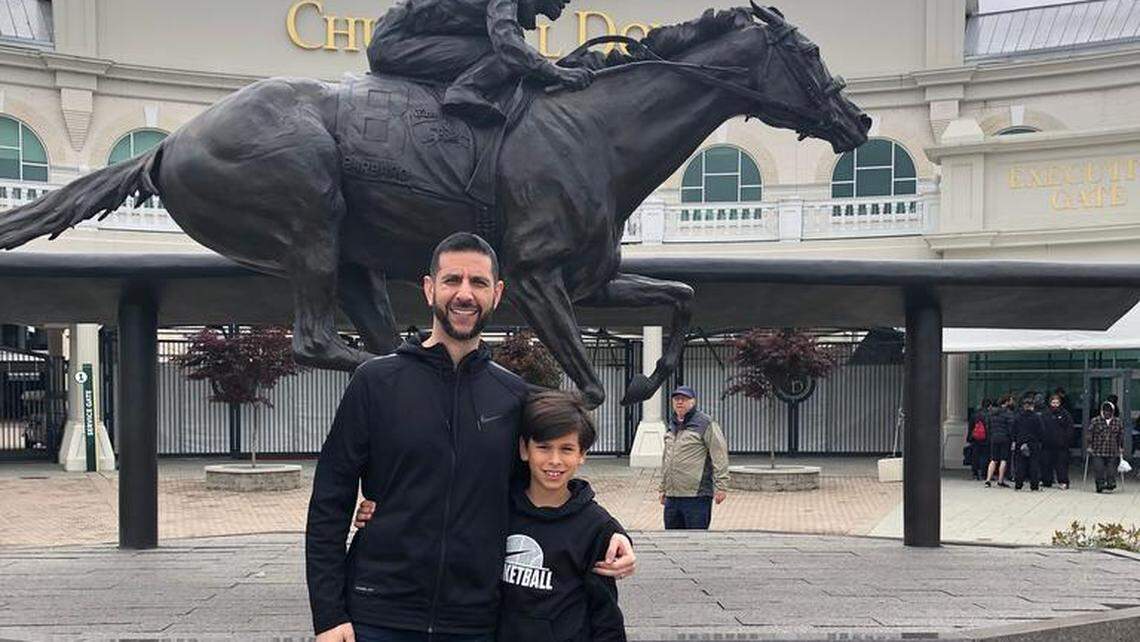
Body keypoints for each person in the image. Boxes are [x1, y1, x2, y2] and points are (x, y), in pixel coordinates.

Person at [305, 232, 634, 642]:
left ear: (496, 294)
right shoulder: (374, 382)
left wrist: (610, 531)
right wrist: (329, 614)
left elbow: (545, 485)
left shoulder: (515, 397)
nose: (465, 294)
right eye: (452, 280)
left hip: (474, 622)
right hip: (377, 614)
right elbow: (329, 503)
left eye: (478, 283)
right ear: (429, 289)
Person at [358, 390, 627, 642]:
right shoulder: (493, 505)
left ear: (582, 455)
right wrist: (384, 511)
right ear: (524, 449)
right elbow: (438, 508)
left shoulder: (596, 528)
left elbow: (605, 615)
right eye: (543, 447)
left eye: (566, 449)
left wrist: (618, 533)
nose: (555, 460)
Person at [367, 0, 594, 125]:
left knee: (508, 53)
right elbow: (507, 45)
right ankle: (465, 91)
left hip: (405, 39)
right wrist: (555, 72)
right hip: (395, 43)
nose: (567, 1)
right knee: (506, 56)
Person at [659, 385, 729, 530]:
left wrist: (721, 486)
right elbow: (666, 459)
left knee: (696, 541)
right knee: (671, 542)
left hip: (696, 497)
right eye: (676, 399)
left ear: (693, 402)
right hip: (672, 497)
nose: (679, 402)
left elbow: (719, 455)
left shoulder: (705, 423)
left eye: (684, 399)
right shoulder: (672, 424)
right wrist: (663, 489)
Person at [1087, 401, 1124, 493]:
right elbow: (1089, 434)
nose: (1107, 413)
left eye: (1109, 411)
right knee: (1099, 468)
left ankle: (1111, 483)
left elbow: (1120, 435)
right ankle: (1100, 485)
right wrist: (1089, 446)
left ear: (1112, 412)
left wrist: (1121, 446)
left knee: (1111, 469)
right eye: (1105, 411)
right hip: (1098, 449)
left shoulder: (1117, 421)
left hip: (1112, 449)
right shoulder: (1095, 421)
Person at [1040, 393, 1074, 489]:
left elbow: (1070, 428)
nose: (1055, 404)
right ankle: (1046, 481)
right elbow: (1040, 427)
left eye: (1057, 402)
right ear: (1050, 403)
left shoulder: (1065, 414)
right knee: (1046, 464)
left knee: (1061, 465)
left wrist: (1066, 440)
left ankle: (1063, 482)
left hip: (1061, 445)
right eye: (1053, 402)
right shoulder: (1045, 414)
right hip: (1047, 444)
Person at [1011, 393, 1043, 491]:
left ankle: (1018, 484)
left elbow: (1013, 430)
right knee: (1034, 465)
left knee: (1020, 465)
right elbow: (1041, 431)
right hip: (1033, 443)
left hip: (1020, 442)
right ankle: (1034, 486)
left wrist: (1014, 440)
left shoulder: (1018, 417)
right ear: (1032, 406)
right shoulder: (1037, 417)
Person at [984, 395, 1014, 488]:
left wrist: (991, 435)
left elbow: (988, 426)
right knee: (1003, 459)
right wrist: (1012, 438)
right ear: (1007, 402)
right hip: (1005, 438)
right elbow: (1011, 428)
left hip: (994, 437)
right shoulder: (1008, 413)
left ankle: (988, 480)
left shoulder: (991, 413)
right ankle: (1000, 480)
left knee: (993, 459)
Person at [966, 399, 992, 481]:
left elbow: (971, 427)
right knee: (985, 456)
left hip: (975, 438)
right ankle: (984, 474)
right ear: (989, 406)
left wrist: (969, 437)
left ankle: (975, 473)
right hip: (985, 438)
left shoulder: (975, 414)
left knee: (975, 455)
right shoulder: (989, 415)